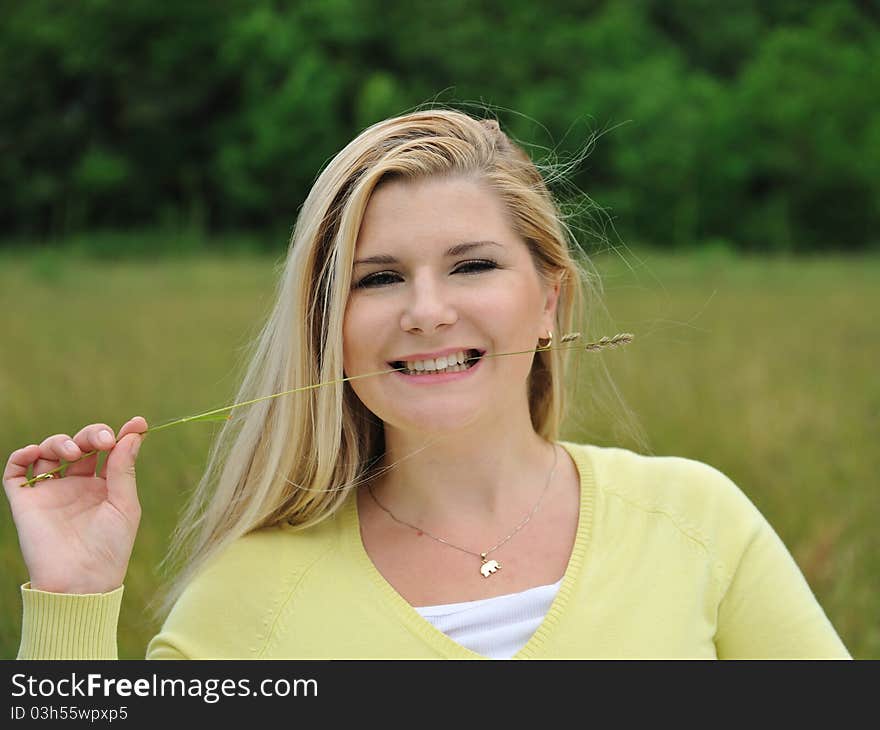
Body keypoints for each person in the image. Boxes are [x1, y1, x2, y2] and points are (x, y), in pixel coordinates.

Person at [4, 108, 850, 660]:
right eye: (377, 279)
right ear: (328, 329)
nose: (427, 311)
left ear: (548, 299)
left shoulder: (696, 522)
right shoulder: (246, 601)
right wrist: (74, 600)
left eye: (471, 265)